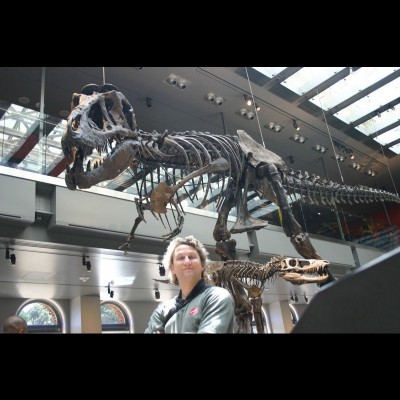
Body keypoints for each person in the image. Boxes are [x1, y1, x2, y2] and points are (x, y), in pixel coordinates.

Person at [145, 235, 234, 333]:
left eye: (192, 257)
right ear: (172, 268)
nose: (187, 262)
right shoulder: (162, 310)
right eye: (180, 258)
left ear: (202, 264)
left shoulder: (217, 296)